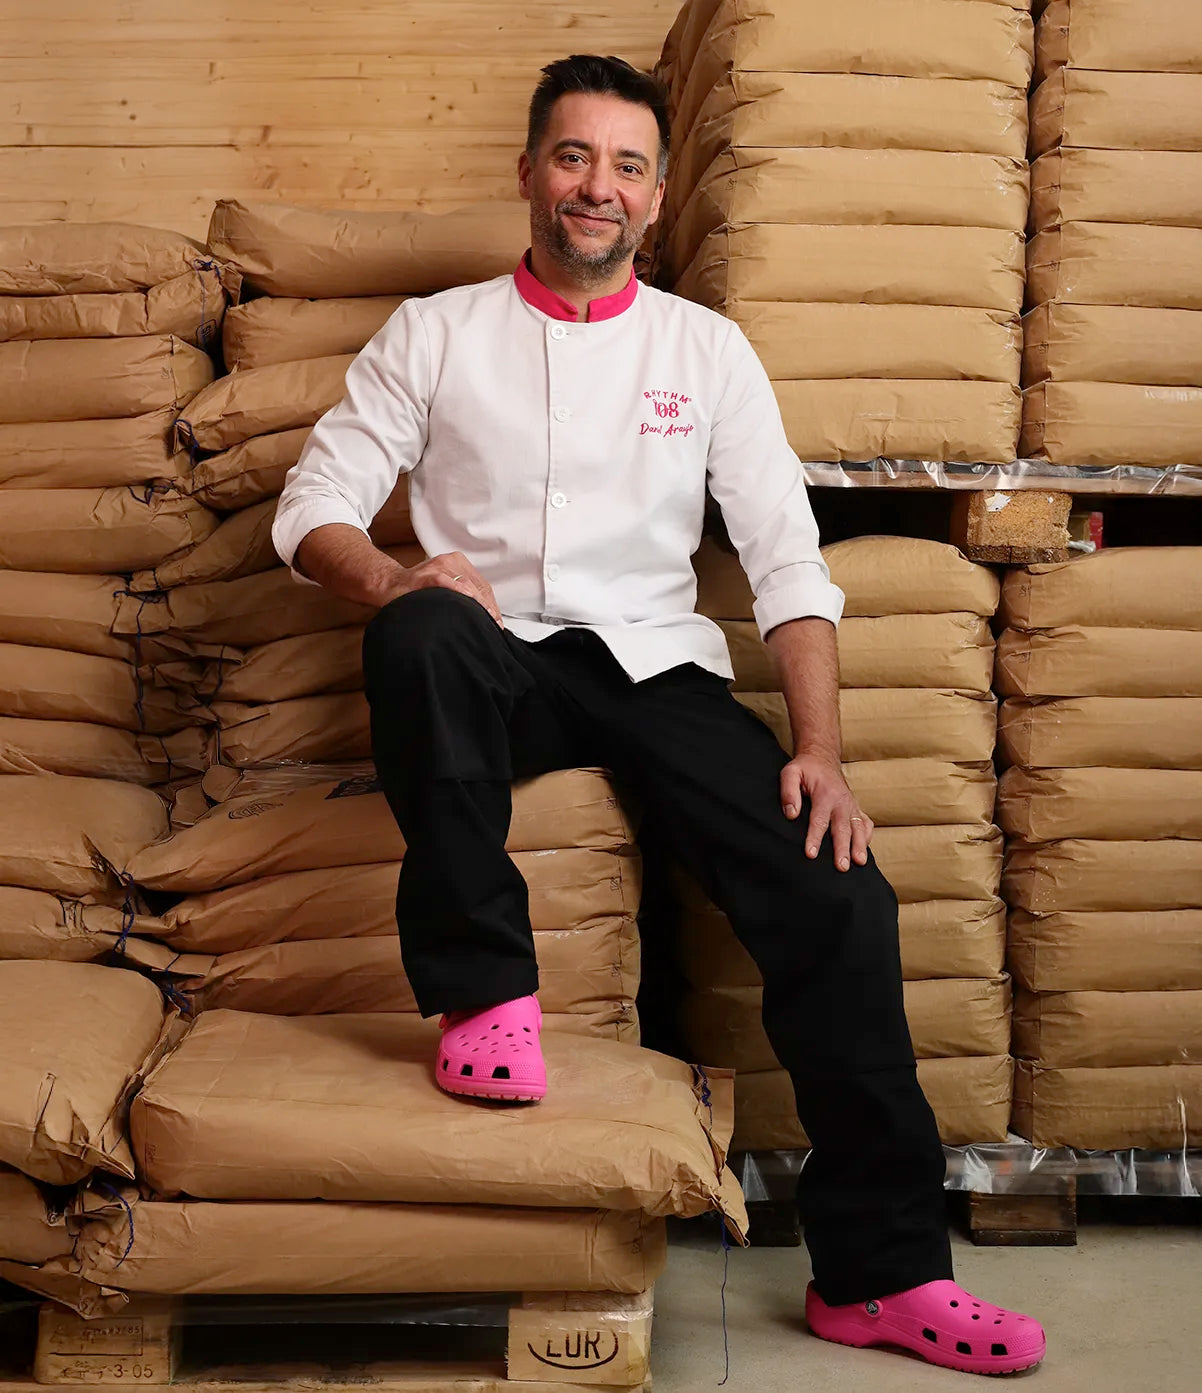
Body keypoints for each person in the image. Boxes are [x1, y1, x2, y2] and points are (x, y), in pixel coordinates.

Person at [271, 53, 1046, 1378]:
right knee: (419, 629)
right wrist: (399, 578)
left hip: (656, 672)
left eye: (626, 166)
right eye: (574, 157)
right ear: (529, 174)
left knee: (840, 897)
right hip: (493, 661)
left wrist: (821, 753)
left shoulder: (706, 350)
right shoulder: (436, 332)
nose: (599, 187)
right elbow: (311, 509)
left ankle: (882, 1275)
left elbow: (787, 561)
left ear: (657, 195)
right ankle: (485, 997)